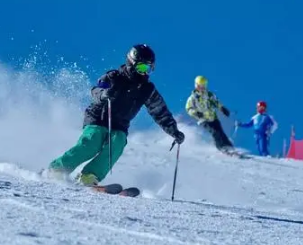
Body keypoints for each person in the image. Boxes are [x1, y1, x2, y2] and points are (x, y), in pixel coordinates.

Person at [45, 44, 185, 186]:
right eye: (142, 68)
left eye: (148, 69)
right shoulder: (114, 77)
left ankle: (89, 175)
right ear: (131, 63)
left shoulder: (147, 89)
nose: (145, 73)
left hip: (120, 124)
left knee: (117, 143)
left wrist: (173, 131)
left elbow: (160, 111)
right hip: (98, 118)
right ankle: (57, 169)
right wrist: (104, 94)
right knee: (92, 143)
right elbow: (96, 91)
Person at [185, 75, 233, 152]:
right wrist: (196, 113)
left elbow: (216, 102)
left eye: (204, 85)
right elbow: (188, 108)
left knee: (220, 132)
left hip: (213, 117)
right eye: (201, 85)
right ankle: (221, 148)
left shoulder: (209, 94)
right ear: (197, 85)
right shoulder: (193, 97)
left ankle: (230, 147)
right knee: (214, 132)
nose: (203, 87)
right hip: (203, 119)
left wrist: (222, 108)